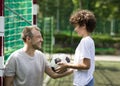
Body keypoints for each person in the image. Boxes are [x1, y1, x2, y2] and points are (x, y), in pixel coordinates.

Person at [4, 26, 72, 86]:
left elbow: (53, 74)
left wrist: (71, 69)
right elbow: (8, 84)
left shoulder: (41, 56)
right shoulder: (14, 58)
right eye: (38, 37)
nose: (42, 40)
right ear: (28, 39)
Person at [56, 9, 96, 86]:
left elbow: (86, 65)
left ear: (84, 25)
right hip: (85, 82)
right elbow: (81, 64)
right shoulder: (88, 40)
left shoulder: (86, 41)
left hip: (84, 83)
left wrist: (67, 65)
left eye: (76, 26)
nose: (75, 29)